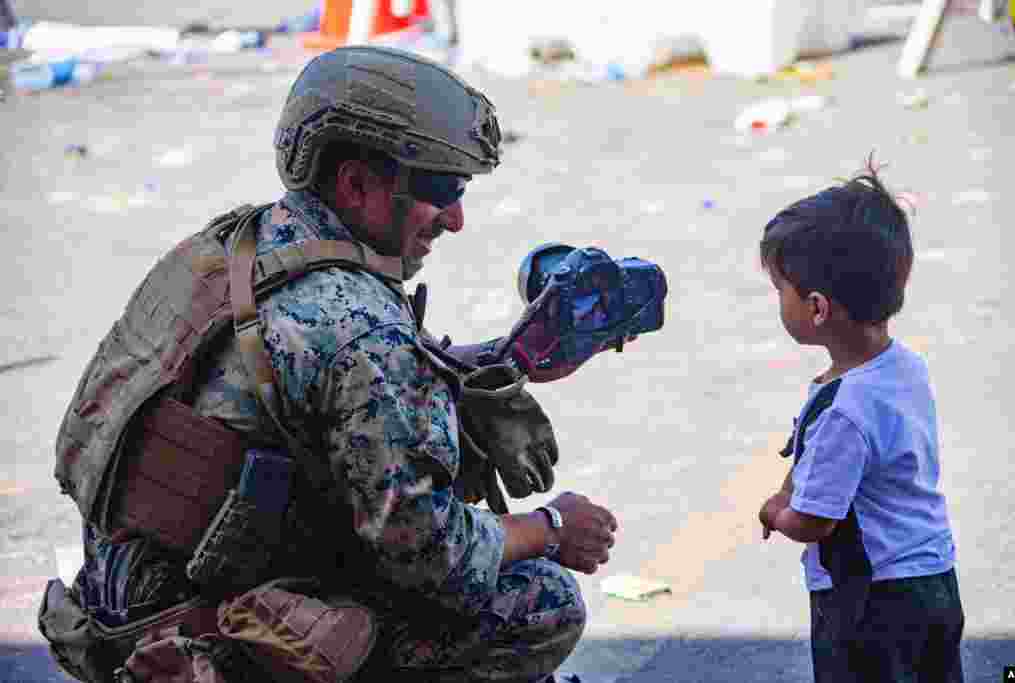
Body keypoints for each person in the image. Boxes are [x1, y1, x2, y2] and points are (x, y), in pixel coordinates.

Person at [47, 46, 616, 683]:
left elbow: (311, 387)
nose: (455, 219)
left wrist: (489, 365)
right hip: (208, 634)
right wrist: (553, 524)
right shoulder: (361, 331)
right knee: (540, 602)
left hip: (121, 606)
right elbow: (435, 559)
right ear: (355, 184)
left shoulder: (239, 244)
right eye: (442, 190)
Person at [756, 164, 964, 682]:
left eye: (780, 289)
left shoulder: (843, 410)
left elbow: (815, 520)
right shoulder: (902, 367)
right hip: (933, 577)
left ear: (818, 308)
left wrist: (776, 511)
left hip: (870, 603)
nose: (778, 301)